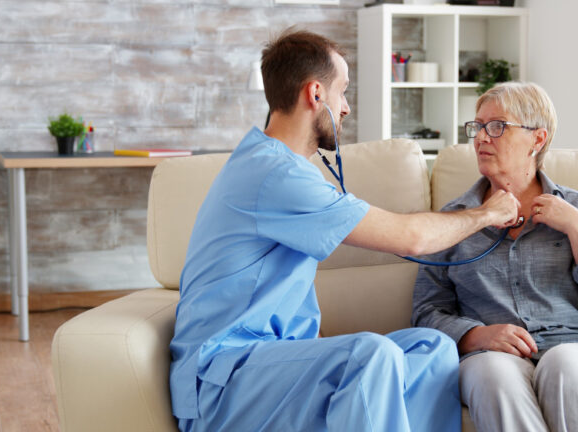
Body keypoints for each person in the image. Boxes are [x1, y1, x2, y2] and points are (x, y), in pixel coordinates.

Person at [169, 29, 521, 432]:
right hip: (222, 381)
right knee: (367, 354)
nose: (347, 108)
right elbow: (412, 239)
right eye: (343, 92)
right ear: (315, 94)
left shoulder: (286, 169)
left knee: (432, 347)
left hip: (271, 368)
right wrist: (487, 214)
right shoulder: (274, 174)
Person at [411, 81, 578, 432]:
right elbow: (426, 312)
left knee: (563, 364)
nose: (481, 138)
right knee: (491, 372)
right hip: (493, 358)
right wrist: (477, 336)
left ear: (538, 139)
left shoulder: (577, 209)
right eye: (478, 127)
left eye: (497, 126)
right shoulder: (454, 220)